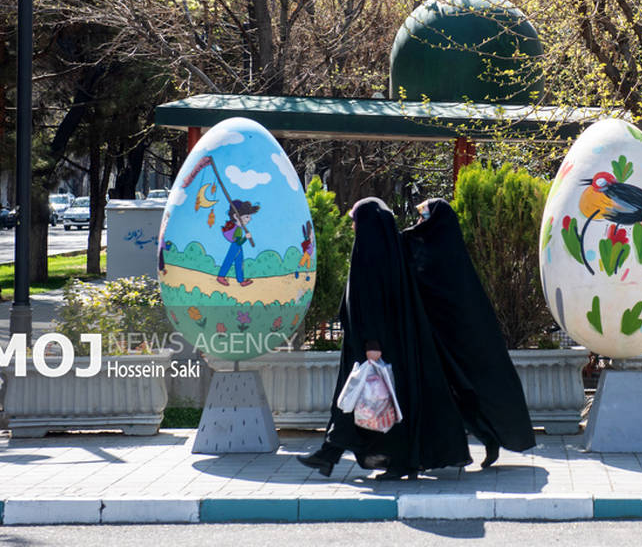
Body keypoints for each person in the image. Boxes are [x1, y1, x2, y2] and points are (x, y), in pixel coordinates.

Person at [298, 198, 471, 480]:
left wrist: (372, 344)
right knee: (355, 397)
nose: (353, 226)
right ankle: (329, 453)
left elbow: (373, 302)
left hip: (374, 346)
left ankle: (395, 462)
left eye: (355, 220)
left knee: (375, 400)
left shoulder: (372, 255)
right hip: (373, 343)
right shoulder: (386, 252)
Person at [403, 198, 536, 468]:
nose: (418, 222)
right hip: (436, 340)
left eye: (424, 217)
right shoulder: (425, 246)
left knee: (467, 392)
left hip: (459, 341)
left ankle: (488, 438)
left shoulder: (444, 254)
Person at [216, 200, 259, 286]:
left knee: (239, 262)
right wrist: (246, 238)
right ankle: (221, 276)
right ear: (236, 216)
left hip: (237, 246)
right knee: (229, 260)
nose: (249, 219)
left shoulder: (238, 228)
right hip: (235, 246)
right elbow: (239, 242)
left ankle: (241, 280)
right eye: (247, 217)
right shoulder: (238, 229)